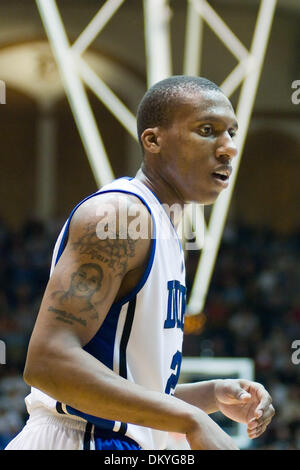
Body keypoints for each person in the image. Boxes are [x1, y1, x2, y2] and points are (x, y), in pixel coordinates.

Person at [5, 75, 274, 451]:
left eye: (232, 132)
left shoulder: (161, 228)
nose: (228, 147)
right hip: (79, 440)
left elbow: (124, 391)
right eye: (207, 130)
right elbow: (48, 360)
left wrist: (211, 395)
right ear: (153, 140)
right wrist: (190, 419)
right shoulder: (118, 216)